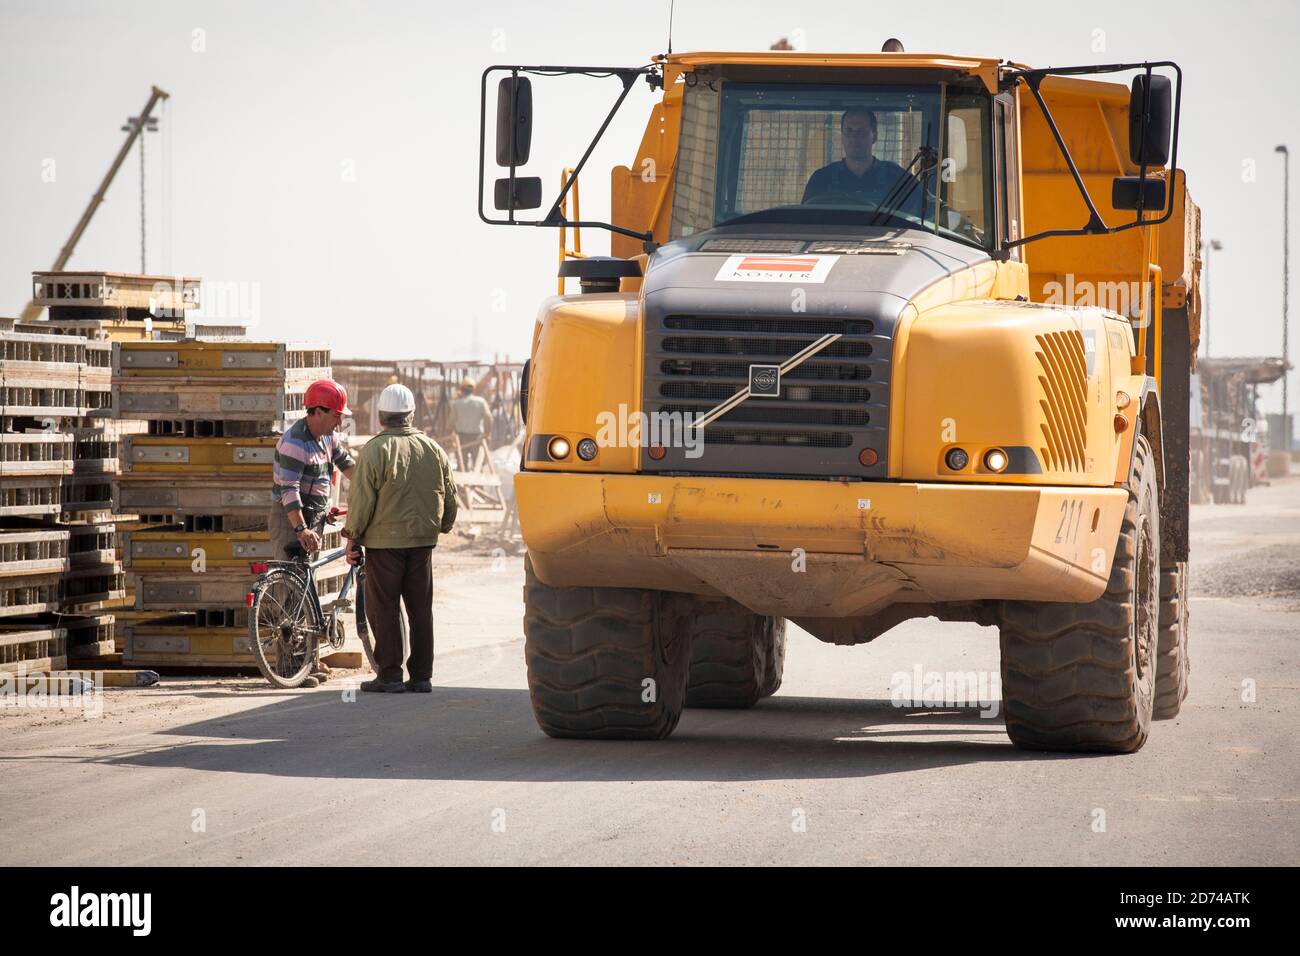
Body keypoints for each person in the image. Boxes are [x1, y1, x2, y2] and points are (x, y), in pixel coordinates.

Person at [342, 383, 458, 694]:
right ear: (411, 415)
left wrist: (352, 537)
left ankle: (390, 676)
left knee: (386, 608)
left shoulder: (374, 451)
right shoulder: (433, 449)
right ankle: (421, 676)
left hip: (384, 545)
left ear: (381, 417)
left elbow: (362, 501)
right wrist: (442, 526)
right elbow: (450, 496)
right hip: (422, 543)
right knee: (420, 610)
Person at [270, 379, 356, 687]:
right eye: (335, 415)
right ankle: (290, 668)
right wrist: (301, 528)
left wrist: (371, 487)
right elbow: (288, 490)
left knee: (307, 589)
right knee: (290, 594)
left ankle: (309, 662)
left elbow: (348, 467)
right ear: (317, 412)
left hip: (313, 519)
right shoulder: (295, 441)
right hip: (291, 520)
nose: (339, 421)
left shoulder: (327, 439)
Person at [801, 107, 923, 219]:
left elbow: (923, 216)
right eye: (849, 131)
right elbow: (805, 221)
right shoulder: (821, 179)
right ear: (842, 136)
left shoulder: (897, 179)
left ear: (874, 136)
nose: (854, 137)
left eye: (861, 131)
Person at [449, 379, 493, 461]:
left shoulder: (456, 404)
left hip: (461, 439)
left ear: (462, 390)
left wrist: (449, 439)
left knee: (462, 464)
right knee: (478, 464)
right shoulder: (481, 402)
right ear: (473, 389)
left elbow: (450, 423)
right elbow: (488, 417)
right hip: (477, 437)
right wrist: (487, 433)